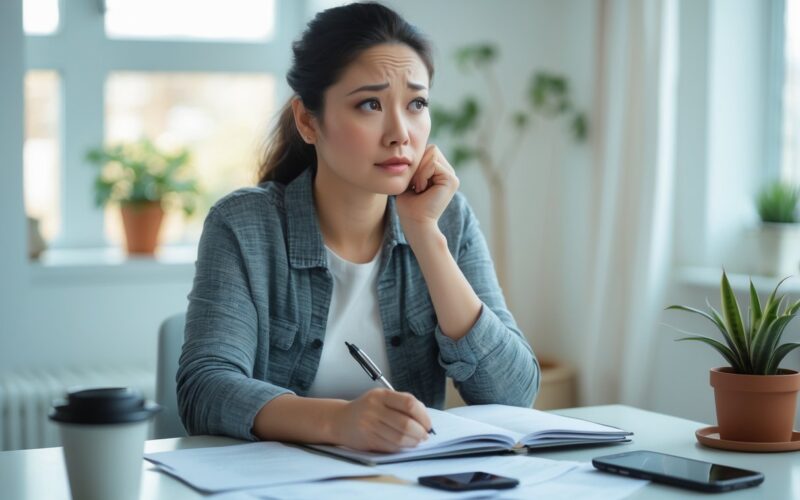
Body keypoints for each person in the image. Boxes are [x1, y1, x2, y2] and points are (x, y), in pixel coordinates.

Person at [177, 1, 539, 453]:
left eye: (416, 104)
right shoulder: (245, 225)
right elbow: (204, 391)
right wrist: (339, 422)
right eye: (370, 104)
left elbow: (514, 394)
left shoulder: (448, 217)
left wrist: (425, 234)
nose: (400, 133)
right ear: (309, 120)